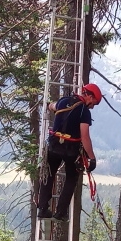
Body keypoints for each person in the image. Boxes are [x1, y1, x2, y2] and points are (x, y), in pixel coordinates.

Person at [37, 83, 102, 221]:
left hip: (54, 145)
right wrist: (92, 158)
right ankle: (60, 212)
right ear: (89, 96)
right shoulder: (84, 112)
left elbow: (52, 106)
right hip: (70, 150)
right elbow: (84, 136)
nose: (93, 106)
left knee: (48, 175)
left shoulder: (64, 101)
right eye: (94, 103)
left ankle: (42, 208)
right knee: (71, 178)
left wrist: (48, 105)